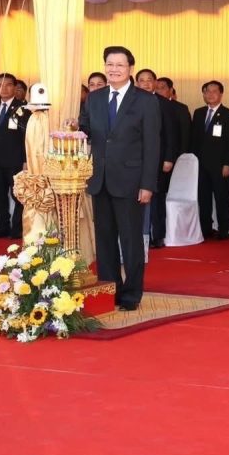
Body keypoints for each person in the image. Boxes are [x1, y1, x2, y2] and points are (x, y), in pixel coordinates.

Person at [80, 46, 161, 311]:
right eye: (110, 64)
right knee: (104, 241)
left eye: (120, 65)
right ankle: (110, 289)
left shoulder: (146, 101)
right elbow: (86, 130)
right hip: (100, 180)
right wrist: (74, 129)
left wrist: (147, 184)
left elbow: (152, 145)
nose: (114, 69)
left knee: (131, 240)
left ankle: (131, 294)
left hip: (131, 182)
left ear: (130, 69)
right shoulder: (94, 98)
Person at [0, 73, 30, 238]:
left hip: (15, 161)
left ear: (15, 87)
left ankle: (17, 229)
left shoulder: (23, 109)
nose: (3, 88)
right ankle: (2, 227)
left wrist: (25, 160)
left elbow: (26, 137)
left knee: (18, 196)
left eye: (8, 84)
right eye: (0, 84)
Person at [135, 68, 179, 248]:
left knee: (157, 196)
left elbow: (170, 133)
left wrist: (168, 158)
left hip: (159, 159)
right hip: (135, 159)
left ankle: (157, 235)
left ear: (154, 82)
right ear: (136, 83)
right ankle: (139, 233)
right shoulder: (131, 101)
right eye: (142, 80)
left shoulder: (164, 103)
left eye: (149, 80)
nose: (146, 83)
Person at [191, 80, 229, 240]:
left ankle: (224, 229)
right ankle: (206, 229)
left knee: (221, 197)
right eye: (207, 91)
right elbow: (194, 139)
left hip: (220, 165)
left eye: (214, 91)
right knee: (203, 197)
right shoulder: (198, 113)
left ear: (221, 94)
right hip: (201, 164)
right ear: (203, 94)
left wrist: (227, 163)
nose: (210, 94)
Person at [156, 77, 191, 154]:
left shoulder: (181, 108)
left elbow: (185, 134)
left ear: (171, 90)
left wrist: (182, 154)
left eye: (162, 88)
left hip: (174, 152)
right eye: (156, 88)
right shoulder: (150, 105)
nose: (159, 91)